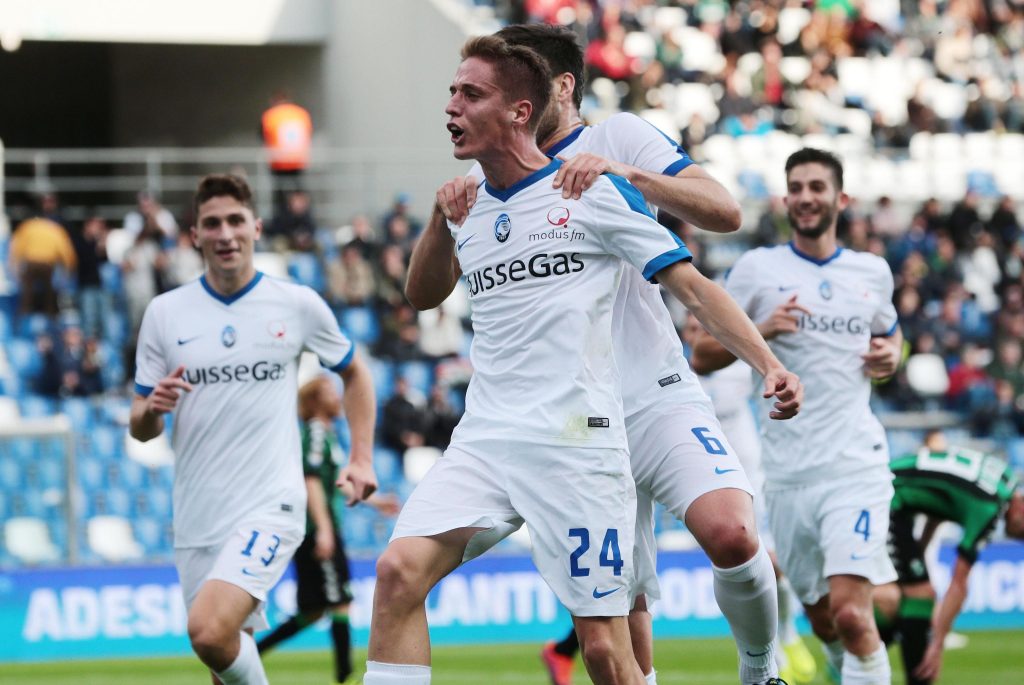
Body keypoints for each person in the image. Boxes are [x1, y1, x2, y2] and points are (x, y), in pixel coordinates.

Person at [381, 34, 800, 685]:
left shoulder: (614, 150)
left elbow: (721, 218)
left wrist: (628, 175)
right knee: (615, 639)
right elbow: (421, 292)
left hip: (648, 394)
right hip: (558, 423)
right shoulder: (478, 182)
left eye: (476, 91)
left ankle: (759, 668)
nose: (456, 106)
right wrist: (441, 222)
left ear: (553, 91)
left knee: (732, 534)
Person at [129, 173, 377, 685]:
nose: (225, 234)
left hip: (270, 505)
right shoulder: (165, 314)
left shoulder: (296, 304)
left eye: (235, 220)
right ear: (194, 235)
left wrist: (362, 458)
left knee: (208, 631)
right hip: (197, 513)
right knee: (223, 655)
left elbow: (354, 372)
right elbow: (141, 429)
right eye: (212, 223)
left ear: (256, 227)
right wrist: (152, 408)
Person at [692, 148, 905, 685]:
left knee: (856, 615)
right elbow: (703, 354)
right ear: (787, 200)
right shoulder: (757, 270)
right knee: (824, 620)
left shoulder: (872, 272)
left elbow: (889, 335)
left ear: (841, 198)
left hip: (855, 465)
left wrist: (892, 356)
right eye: (797, 188)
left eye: (817, 186)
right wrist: (765, 330)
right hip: (786, 476)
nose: (806, 197)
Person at [681, 317, 817, 685]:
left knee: (771, 562)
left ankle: (785, 635)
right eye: (692, 328)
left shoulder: (735, 365)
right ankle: (768, 645)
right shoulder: (673, 369)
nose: (699, 333)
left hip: (748, 474)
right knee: (741, 561)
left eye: (704, 326)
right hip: (698, 477)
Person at [257, 374, 398, 685]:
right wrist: (323, 529)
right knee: (339, 600)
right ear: (315, 402)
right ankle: (344, 674)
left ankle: (253, 653)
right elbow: (310, 481)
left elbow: (335, 482)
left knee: (314, 610)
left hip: (319, 528)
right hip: (317, 528)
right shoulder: (317, 433)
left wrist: (376, 502)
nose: (337, 397)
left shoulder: (326, 434)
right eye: (329, 392)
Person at [874, 434, 1024, 685]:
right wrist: (937, 645)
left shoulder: (1004, 476)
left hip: (890, 490)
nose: (1020, 538)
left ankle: (858, 659)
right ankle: (860, 659)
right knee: (919, 595)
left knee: (906, 600)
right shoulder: (988, 508)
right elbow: (959, 583)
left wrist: (920, 548)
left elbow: (942, 500)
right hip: (886, 499)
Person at [8, 213, 77, 316]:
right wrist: (68, 269)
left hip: (31, 263)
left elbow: (16, 246)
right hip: (47, 264)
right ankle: (50, 314)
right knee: (49, 292)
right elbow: (66, 251)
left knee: (27, 292)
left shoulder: (28, 226)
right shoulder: (54, 229)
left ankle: (24, 314)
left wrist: (14, 266)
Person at [261, 92, 313, 210]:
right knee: (300, 192)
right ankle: (303, 214)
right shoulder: (301, 113)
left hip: (278, 160)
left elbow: (263, 135)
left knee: (279, 192)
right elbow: (308, 132)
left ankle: (281, 214)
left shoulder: (270, 115)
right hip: (298, 160)